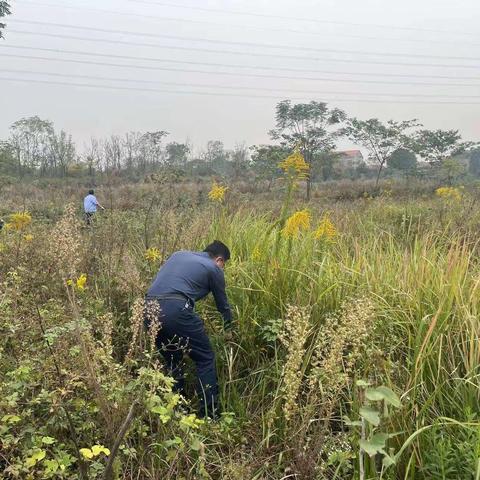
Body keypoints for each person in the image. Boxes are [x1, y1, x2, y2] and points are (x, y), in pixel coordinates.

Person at [145, 240, 232, 419]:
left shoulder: (179, 255)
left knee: (172, 359)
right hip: (175, 310)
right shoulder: (214, 268)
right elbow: (223, 306)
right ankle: (210, 416)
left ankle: (177, 410)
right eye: (224, 265)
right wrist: (228, 329)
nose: (222, 269)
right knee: (205, 358)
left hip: (147, 309)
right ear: (220, 260)